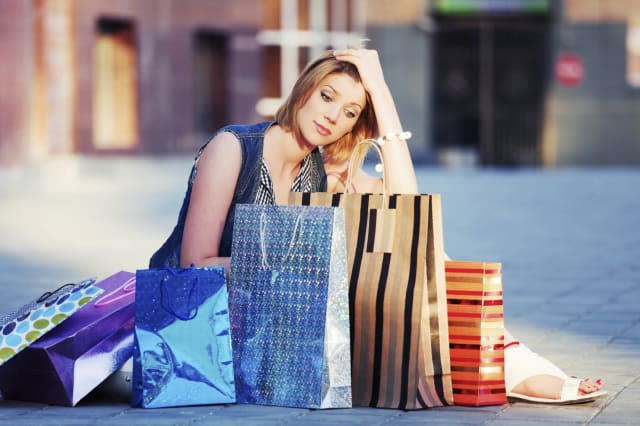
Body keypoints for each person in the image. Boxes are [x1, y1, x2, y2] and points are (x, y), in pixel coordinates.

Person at [149, 48, 605, 405]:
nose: (333, 116)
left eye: (350, 112)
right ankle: (505, 368)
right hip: (203, 320)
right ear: (304, 89)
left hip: (277, 321)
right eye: (328, 96)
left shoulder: (324, 169)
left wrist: (382, 93)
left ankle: (497, 364)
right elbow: (195, 263)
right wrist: (299, 269)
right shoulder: (234, 148)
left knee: (420, 257)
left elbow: (408, 210)